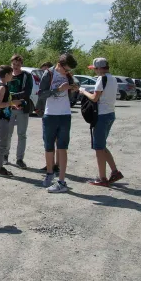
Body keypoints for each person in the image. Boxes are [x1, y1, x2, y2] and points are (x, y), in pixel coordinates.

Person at [36, 53, 79, 193]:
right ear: (59, 65)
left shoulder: (68, 75)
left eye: (69, 70)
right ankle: (49, 173)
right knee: (49, 146)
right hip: (50, 115)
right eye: (66, 69)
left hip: (65, 115)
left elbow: (73, 92)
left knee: (62, 147)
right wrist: (58, 90)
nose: (67, 72)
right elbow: (41, 94)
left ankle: (61, 181)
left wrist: (73, 89)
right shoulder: (48, 74)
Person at [79, 58, 123, 186]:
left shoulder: (101, 79)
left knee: (99, 148)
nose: (95, 72)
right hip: (110, 114)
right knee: (102, 146)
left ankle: (102, 178)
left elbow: (94, 98)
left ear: (99, 68)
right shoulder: (113, 78)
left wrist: (83, 91)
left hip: (101, 116)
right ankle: (115, 172)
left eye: (95, 69)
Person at [0, 65, 24, 177]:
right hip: (1, 118)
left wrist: (13, 106)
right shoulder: (2, 87)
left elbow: (5, 103)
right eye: (11, 74)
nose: (12, 76)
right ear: (6, 75)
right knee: (2, 144)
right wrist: (12, 103)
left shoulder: (4, 86)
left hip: (4, 117)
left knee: (0, 142)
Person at [5, 54, 33, 169]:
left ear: (21, 64)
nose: (16, 66)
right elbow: (3, 89)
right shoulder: (8, 75)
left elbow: (27, 92)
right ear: (11, 64)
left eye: (18, 64)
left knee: (22, 135)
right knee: (8, 134)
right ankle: (5, 156)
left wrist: (12, 96)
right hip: (9, 109)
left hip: (22, 109)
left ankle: (19, 159)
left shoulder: (27, 76)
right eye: (14, 64)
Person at [39, 61, 60, 173]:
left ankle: (52, 165)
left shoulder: (52, 79)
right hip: (47, 112)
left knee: (50, 139)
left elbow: (43, 95)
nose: (44, 73)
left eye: (45, 70)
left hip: (51, 113)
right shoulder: (48, 79)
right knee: (51, 140)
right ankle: (53, 164)